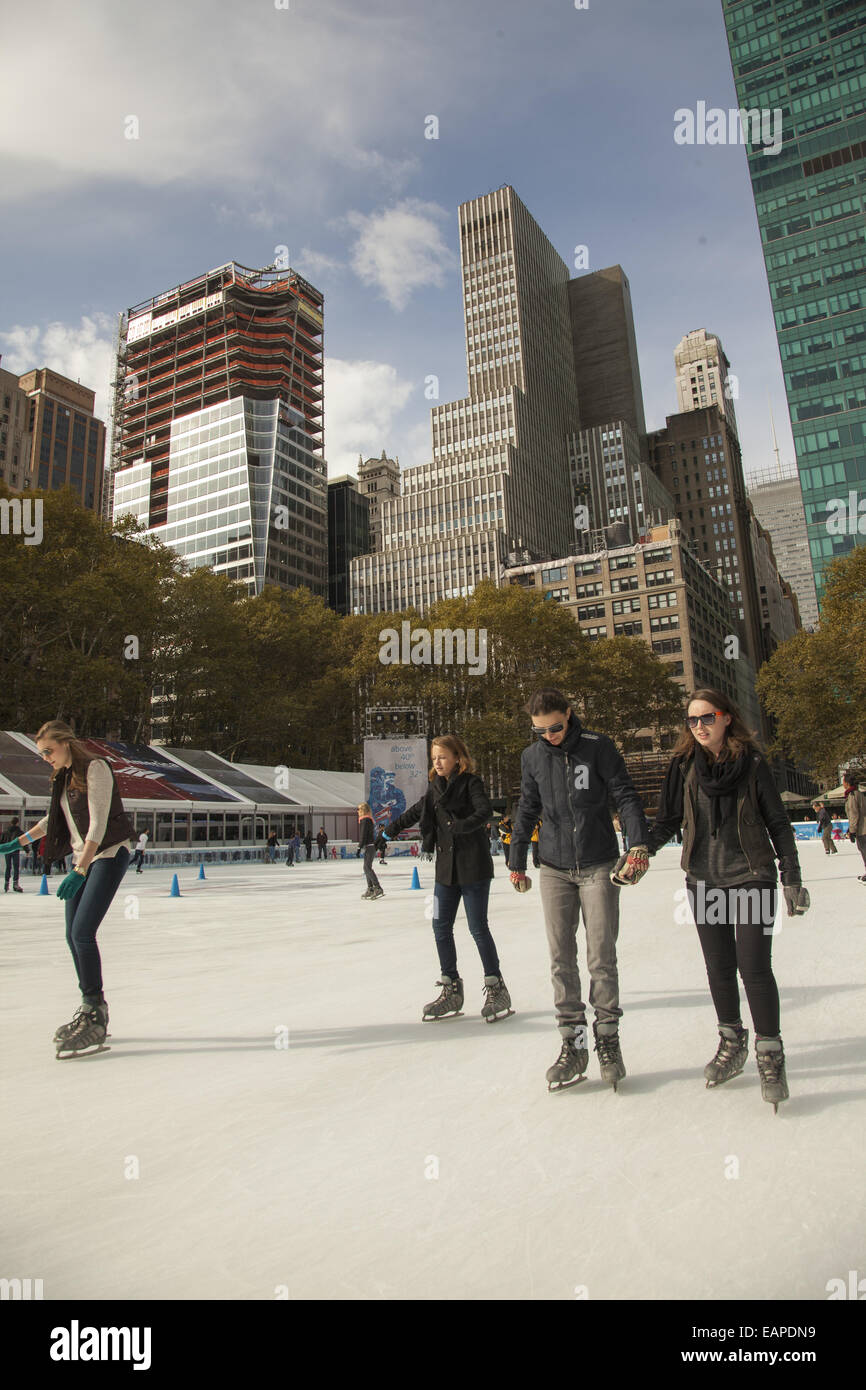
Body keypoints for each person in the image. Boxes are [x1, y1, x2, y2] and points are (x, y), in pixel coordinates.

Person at [647, 688, 810, 1112]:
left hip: (751, 876)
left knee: (754, 968)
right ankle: (732, 1041)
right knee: (719, 967)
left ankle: (770, 1054)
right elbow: (666, 820)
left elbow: (777, 820)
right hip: (702, 881)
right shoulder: (682, 765)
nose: (699, 726)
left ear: (726, 718)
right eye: (692, 720)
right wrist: (639, 851)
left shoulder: (752, 764)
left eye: (707, 717)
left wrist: (791, 875)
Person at [509, 688, 651, 1092]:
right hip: (554, 867)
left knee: (601, 955)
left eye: (555, 727)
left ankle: (607, 1038)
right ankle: (573, 1042)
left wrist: (636, 844)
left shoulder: (598, 747)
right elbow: (527, 808)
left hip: (599, 862)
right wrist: (516, 859)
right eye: (540, 731)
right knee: (560, 956)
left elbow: (624, 795)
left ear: (569, 715)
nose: (549, 736)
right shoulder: (532, 757)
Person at [0, 720, 135, 1056]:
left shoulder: (96, 768)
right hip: (84, 859)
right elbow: (54, 819)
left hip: (106, 854)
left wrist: (80, 868)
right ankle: (93, 1006)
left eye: (48, 751)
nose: (45, 757)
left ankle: (94, 1016)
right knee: (71, 933)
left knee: (83, 932)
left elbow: (99, 821)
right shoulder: (63, 776)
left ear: (65, 743)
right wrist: (17, 842)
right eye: (41, 753)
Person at [382, 734, 513, 1023]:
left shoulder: (471, 783)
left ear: (457, 757)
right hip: (446, 871)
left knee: (478, 927)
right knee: (440, 925)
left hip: (473, 866)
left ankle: (496, 987)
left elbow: (483, 813)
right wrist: (387, 833)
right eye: (434, 758)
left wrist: (459, 826)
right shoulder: (434, 788)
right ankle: (451, 987)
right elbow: (416, 812)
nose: (437, 763)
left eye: (442, 757)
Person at [842, 771, 866, 881]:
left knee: (864, 849)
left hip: (862, 829)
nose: (842, 784)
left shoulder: (852, 795)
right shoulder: (858, 793)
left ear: (847, 783)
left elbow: (854, 814)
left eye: (843, 781)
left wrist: (852, 831)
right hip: (862, 827)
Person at [357, 803, 384, 900]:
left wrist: (359, 847)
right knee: (366, 868)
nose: (357, 811)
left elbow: (363, 834)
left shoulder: (365, 820)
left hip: (369, 847)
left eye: (358, 809)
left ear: (363, 810)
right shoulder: (368, 819)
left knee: (367, 867)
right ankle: (371, 888)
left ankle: (377, 887)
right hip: (369, 847)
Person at [3, 817, 23, 892]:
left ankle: (6, 883)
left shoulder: (5, 831)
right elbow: (23, 841)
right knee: (16, 867)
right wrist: (27, 850)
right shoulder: (19, 832)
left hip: (7, 851)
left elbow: (1, 841)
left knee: (8, 867)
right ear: (17, 822)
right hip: (15, 851)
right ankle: (15, 884)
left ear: (11, 823)